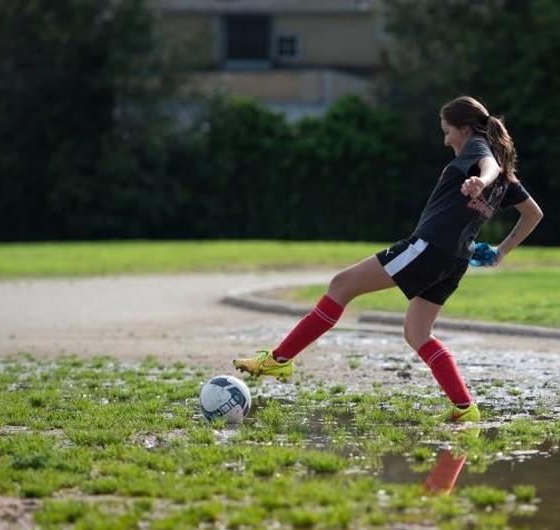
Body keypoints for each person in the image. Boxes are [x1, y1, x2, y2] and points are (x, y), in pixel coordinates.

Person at [233, 96, 544, 423]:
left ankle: (280, 358)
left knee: (341, 285)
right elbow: (533, 214)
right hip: (455, 261)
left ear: (464, 129)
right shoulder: (505, 175)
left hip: (429, 248)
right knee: (417, 333)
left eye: (447, 130)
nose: (445, 139)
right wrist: (501, 251)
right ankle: (465, 408)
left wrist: (481, 179)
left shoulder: (479, 150)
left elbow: (489, 165)